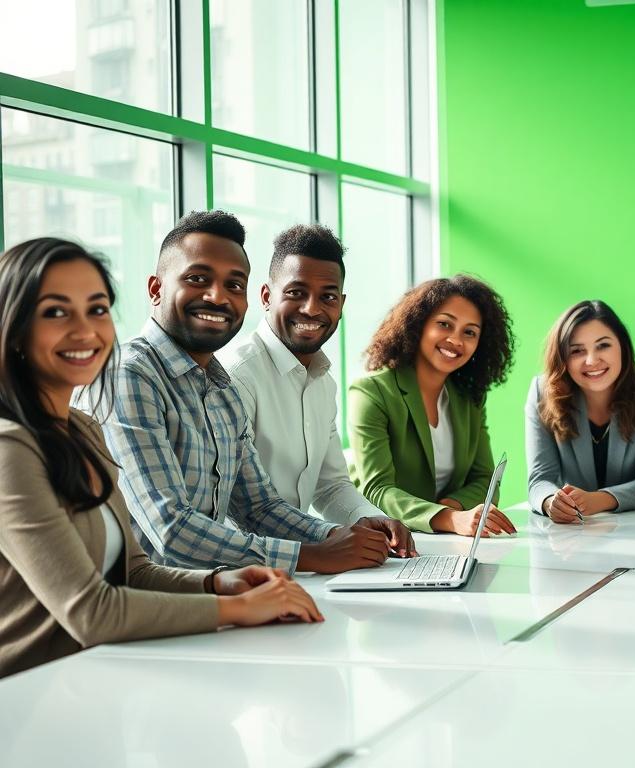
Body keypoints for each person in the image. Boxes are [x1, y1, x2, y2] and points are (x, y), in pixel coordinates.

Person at [0, 238, 323, 679]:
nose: (84, 330)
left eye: (96, 309)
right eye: (56, 312)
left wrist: (218, 582)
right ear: (13, 328)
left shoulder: (82, 431)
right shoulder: (9, 449)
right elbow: (93, 612)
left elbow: (132, 570)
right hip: (29, 696)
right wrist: (236, 608)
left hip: (103, 678)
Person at [103, 211, 410, 575]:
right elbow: (171, 530)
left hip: (207, 592)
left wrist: (342, 536)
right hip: (138, 606)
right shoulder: (129, 375)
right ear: (155, 288)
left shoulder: (219, 387)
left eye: (234, 285)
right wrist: (312, 555)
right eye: (198, 279)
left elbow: (258, 507)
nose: (217, 297)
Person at [220, 224, 416, 555]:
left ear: (341, 303)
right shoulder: (236, 377)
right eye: (296, 292)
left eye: (327, 296)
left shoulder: (323, 381)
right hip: (243, 567)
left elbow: (330, 486)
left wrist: (373, 519)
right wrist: (332, 538)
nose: (312, 309)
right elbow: (245, 509)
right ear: (267, 296)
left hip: (305, 561)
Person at [348, 275, 517, 537]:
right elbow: (377, 490)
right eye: (444, 324)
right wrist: (449, 519)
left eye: (469, 332)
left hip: (442, 541)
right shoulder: (372, 393)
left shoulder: (468, 398)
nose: (456, 340)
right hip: (382, 540)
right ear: (418, 325)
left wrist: (451, 509)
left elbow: (486, 479)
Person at [525, 300, 635, 523]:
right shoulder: (542, 392)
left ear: (622, 345)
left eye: (603, 345)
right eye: (576, 351)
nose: (592, 360)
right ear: (563, 358)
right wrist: (550, 502)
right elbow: (539, 479)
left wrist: (597, 500)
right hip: (571, 534)